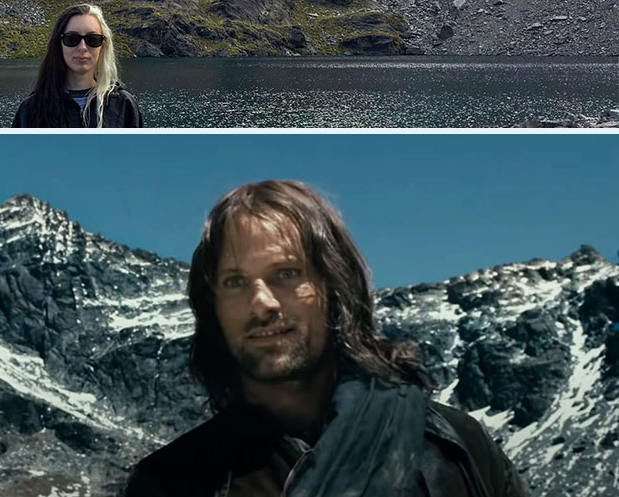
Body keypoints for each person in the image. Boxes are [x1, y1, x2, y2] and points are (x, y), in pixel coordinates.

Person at [124, 180, 529, 497]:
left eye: (286, 274)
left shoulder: (456, 447)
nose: (261, 303)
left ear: (334, 287)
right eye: (235, 282)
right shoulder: (172, 483)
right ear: (213, 308)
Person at [11, 3, 143, 128]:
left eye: (93, 39)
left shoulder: (124, 104)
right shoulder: (31, 108)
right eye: (71, 39)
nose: (82, 47)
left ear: (102, 47)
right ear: (59, 44)